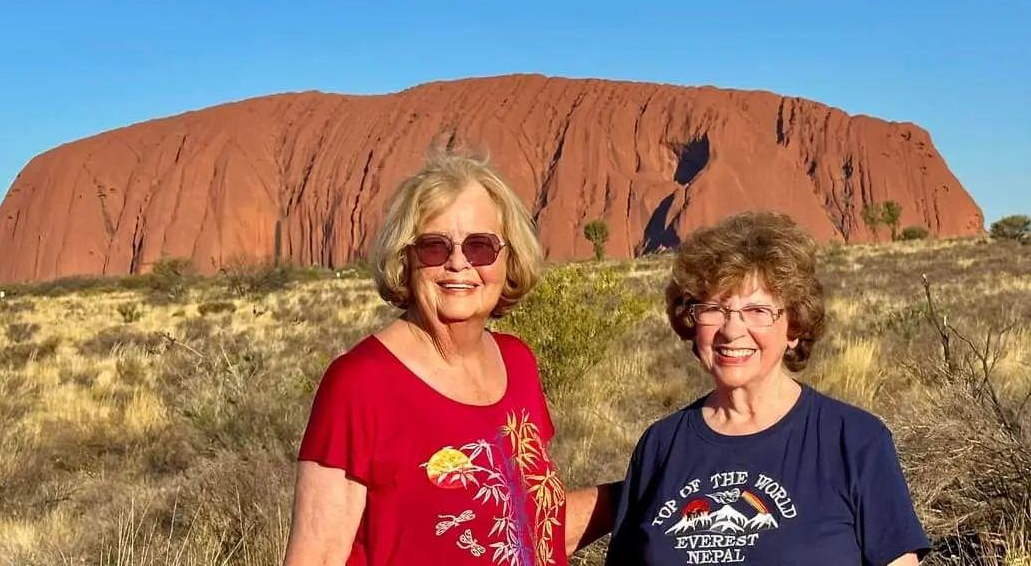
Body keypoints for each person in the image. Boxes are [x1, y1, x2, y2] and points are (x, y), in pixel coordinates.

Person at [284, 152, 614, 566]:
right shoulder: (360, 383)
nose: (458, 263)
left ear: (508, 258)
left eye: (480, 246)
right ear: (406, 258)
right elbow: (317, 557)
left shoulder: (517, 363)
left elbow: (532, 528)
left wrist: (641, 490)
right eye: (434, 247)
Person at [606, 211, 931, 566]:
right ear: (690, 320)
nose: (732, 330)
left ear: (794, 327)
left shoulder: (854, 440)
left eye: (757, 310)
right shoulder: (660, 445)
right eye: (714, 308)